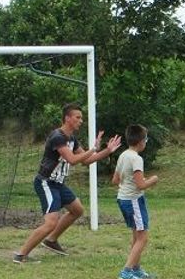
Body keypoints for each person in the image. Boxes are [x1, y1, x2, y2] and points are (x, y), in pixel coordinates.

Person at [13, 103, 122, 263]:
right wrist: (93, 149)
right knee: (51, 222)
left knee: (77, 210)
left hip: (58, 184)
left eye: (81, 118)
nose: (81, 121)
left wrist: (107, 151)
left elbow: (86, 161)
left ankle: (51, 240)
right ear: (67, 118)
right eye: (78, 117)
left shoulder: (72, 139)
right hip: (46, 183)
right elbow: (72, 159)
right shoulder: (58, 137)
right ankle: (21, 255)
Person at [112, 124, 159, 279]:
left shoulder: (123, 155)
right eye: (146, 139)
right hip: (134, 201)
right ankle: (126, 271)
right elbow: (141, 185)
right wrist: (153, 180)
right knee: (143, 237)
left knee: (136, 235)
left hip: (123, 198)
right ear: (141, 141)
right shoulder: (136, 159)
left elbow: (115, 180)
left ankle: (136, 269)